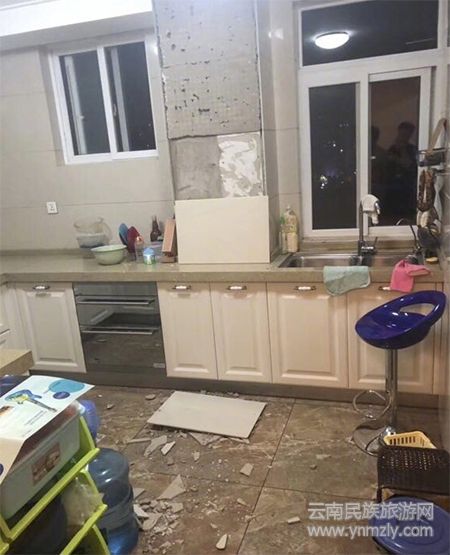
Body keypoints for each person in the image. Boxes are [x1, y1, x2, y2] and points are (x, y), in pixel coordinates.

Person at [387, 121, 418, 221]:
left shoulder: (412, 149)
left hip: (408, 186)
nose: (403, 137)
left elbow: (410, 166)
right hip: (392, 186)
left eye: (406, 135)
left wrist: (403, 150)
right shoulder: (392, 149)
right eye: (402, 134)